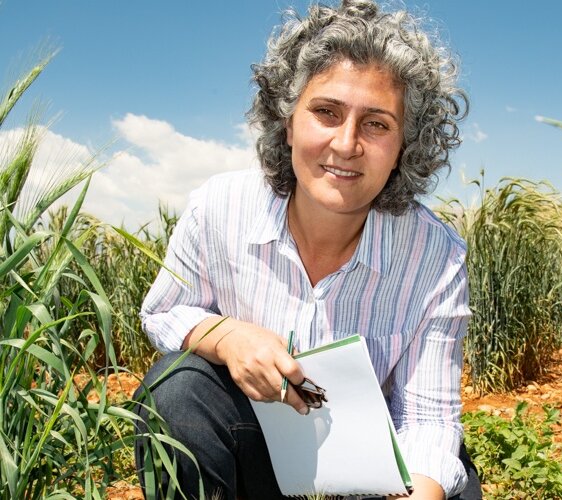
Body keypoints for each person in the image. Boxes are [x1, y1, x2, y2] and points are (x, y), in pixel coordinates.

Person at [134, 0, 482, 498]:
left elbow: (428, 418)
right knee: (177, 387)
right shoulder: (219, 208)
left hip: (382, 473)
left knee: (454, 489)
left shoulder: (436, 256)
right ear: (287, 120)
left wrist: (417, 491)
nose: (346, 144)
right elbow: (164, 310)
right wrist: (227, 337)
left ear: (406, 144)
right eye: (326, 112)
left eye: (377, 124)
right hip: (253, 454)